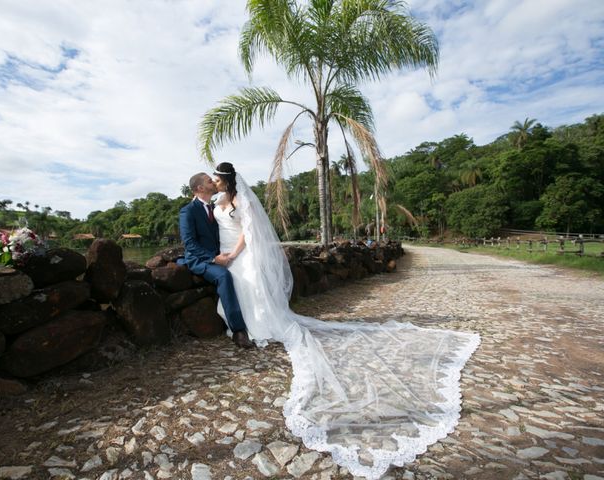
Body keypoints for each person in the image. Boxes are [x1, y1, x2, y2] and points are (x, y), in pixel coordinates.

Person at [211, 162, 480, 480]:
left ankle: (261, 325)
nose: (213, 181)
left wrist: (233, 254)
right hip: (222, 251)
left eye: (216, 177)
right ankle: (245, 323)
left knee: (251, 285)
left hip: (238, 252)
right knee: (239, 288)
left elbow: (248, 230)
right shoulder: (216, 202)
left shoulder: (241, 200)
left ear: (226, 179)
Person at [178, 172, 254, 349]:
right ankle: (238, 331)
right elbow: (189, 243)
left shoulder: (214, 206)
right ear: (200, 188)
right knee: (224, 276)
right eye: (208, 180)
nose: (212, 181)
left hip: (221, 255)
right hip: (200, 260)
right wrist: (213, 258)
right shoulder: (188, 211)